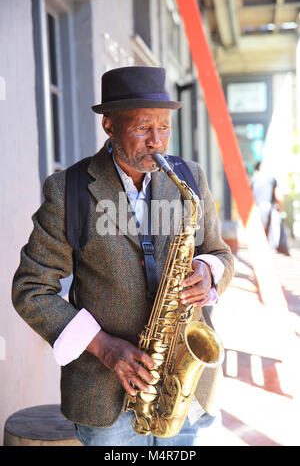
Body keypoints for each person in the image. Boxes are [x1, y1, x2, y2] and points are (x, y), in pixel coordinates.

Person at [12, 66, 234, 446]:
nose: (157, 141)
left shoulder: (190, 178)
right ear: (110, 126)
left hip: (185, 394)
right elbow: (32, 290)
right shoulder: (68, 190)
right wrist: (104, 346)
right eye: (143, 127)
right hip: (106, 398)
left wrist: (209, 271)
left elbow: (219, 253)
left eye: (164, 128)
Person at [251, 161, 289, 255]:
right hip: (268, 207)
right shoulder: (270, 179)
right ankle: (269, 253)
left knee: (258, 234)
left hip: (255, 208)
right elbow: (278, 196)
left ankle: (258, 253)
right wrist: (281, 209)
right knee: (271, 234)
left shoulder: (254, 179)